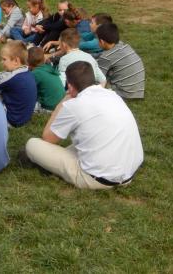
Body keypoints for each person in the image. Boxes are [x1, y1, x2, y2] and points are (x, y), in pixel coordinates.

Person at [22, 61, 144, 189]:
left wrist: (62, 103)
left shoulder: (74, 106)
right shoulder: (112, 95)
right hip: (128, 173)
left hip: (97, 179)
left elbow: (48, 138)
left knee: (32, 144)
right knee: (90, 139)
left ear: (70, 86)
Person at [0, 41, 37, 127]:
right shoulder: (25, 71)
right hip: (22, 118)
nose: (1, 62)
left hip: (11, 120)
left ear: (16, 61)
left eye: (4, 59)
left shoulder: (13, 77)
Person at [95, 23, 146, 99]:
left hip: (124, 93)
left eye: (97, 39)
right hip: (138, 91)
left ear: (102, 41)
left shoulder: (106, 57)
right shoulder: (125, 46)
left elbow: (98, 78)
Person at [28, 46, 65, 112]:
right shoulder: (48, 67)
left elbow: (27, 89)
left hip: (49, 107)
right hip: (60, 104)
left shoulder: (36, 73)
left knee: (24, 104)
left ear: (28, 63)